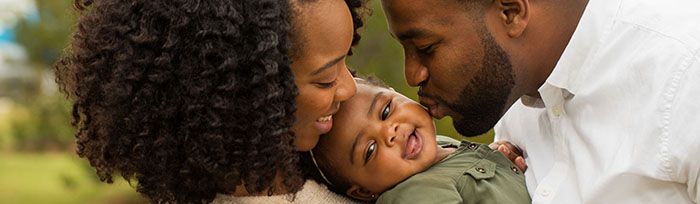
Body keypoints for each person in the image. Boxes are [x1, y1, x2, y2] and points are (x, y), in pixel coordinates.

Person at [380, 0, 700, 203]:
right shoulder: (512, 83)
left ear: (511, 13)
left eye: (426, 47)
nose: (412, 75)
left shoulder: (684, 74)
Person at [54, 0, 369, 203]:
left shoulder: (340, 162)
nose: (350, 88)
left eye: (347, 59)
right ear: (246, 94)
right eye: (325, 79)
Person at [309, 77, 530, 203]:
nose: (389, 133)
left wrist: (495, 165)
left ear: (396, 93)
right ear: (364, 192)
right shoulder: (411, 195)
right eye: (371, 149)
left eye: (386, 111)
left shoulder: (439, 146)